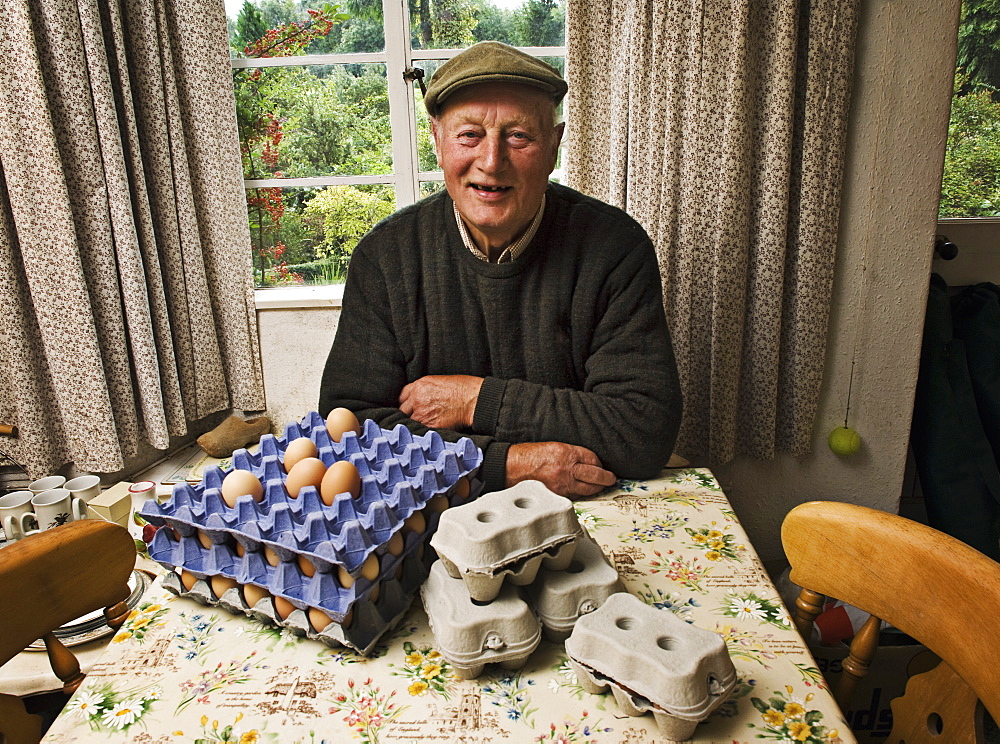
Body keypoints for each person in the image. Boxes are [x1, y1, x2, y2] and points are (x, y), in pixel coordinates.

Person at [319, 41, 681, 499]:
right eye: (469, 135)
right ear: (437, 142)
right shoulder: (385, 256)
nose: (491, 162)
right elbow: (350, 430)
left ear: (554, 145)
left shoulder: (614, 248)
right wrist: (505, 465)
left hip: (585, 512)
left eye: (519, 136)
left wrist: (476, 399)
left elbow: (641, 430)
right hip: (434, 512)